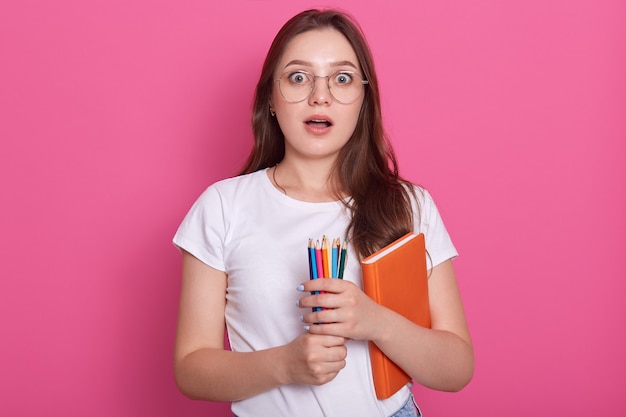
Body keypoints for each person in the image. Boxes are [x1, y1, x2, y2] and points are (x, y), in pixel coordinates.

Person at [172, 8, 473, 417]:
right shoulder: (223, 206)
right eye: (298, 77)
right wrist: (285, 364)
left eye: (342, 78)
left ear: (363, 102)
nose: (320, 95)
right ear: (271, 100)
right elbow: (191, 369)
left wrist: (374, 321)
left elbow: (456, 368)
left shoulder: (410, 205)